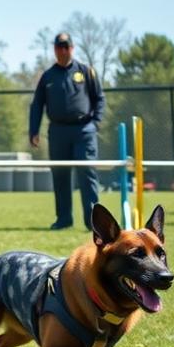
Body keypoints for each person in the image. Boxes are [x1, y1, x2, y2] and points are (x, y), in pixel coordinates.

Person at [29, 32, 105, 231]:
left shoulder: (86, 71)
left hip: (84, 130)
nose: (62, 50)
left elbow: (99, 98)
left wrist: (95, 123)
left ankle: (93, 222)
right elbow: (37, 105)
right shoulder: (47, 76)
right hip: (58, 132)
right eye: (58, 46)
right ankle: (63, 219)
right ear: (54, 49)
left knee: (87, 174)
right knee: (60, 175)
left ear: (72, 48)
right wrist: (33, 131)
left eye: (66, 46)